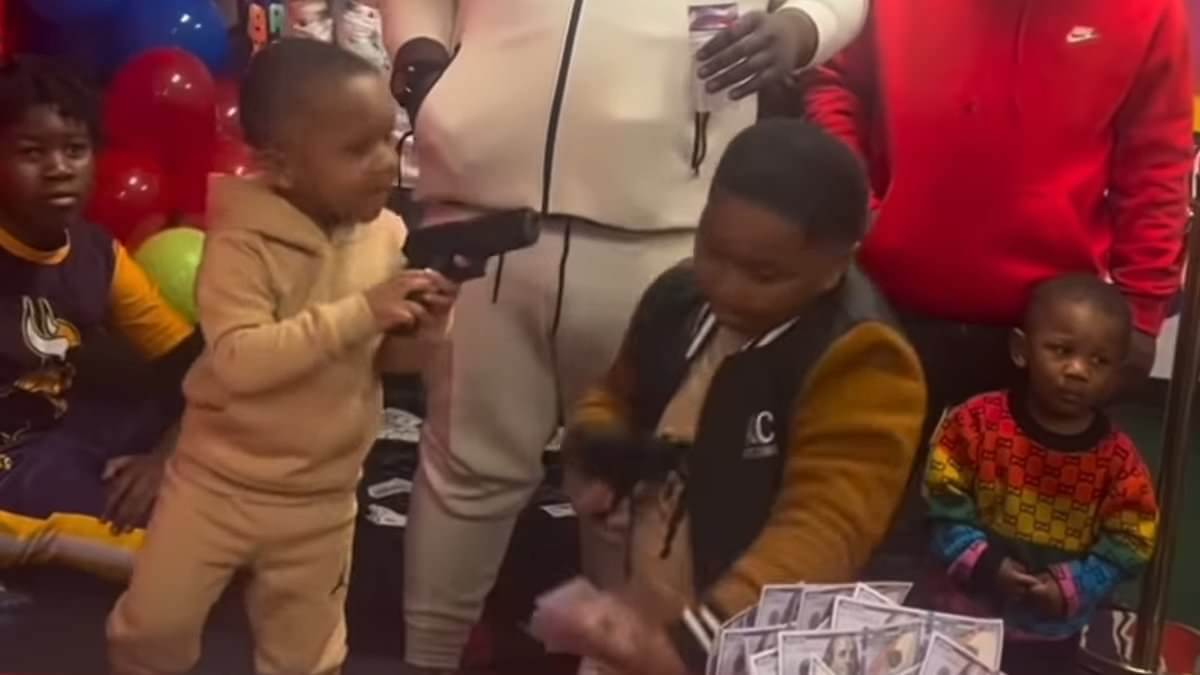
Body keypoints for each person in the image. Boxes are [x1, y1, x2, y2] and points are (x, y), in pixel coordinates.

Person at [379, 1, 869, 671]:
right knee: (466, 472)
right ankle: (427, 660)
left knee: (636, 492)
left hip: (662, 228)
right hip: (481, 206)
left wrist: (802, 26)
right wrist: (419, 55)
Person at [805, 0, 1193, 578]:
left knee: (1017, 567)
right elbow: (834, 84)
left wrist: (1142, 308)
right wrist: (858, 203)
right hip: (885, 300)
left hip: (1041, 335)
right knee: (851, 532)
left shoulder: (1149, 12)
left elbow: (1155, 165)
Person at [106, 39, 458, 675]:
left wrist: (425, 327)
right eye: (357, 149)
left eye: (388, 139)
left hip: (323, 496)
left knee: (306, 654)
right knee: (152, 629)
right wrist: (364, 312)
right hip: (215, 486)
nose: (386, 163)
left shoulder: (388, 235)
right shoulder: (241, 243)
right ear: (280, 165)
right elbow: (240, 361)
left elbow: (389, 362)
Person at [557, 120, 926, 674]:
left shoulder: (863, 361)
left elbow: (824, 528)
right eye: (712, 251)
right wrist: (599, 454)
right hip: (645, 615)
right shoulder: (679, 299)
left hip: (753, 646)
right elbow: (615, 395)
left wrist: (698, 641)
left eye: (763, 275)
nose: (724, 286)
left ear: (836, 266)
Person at [0, 57, 200, 599]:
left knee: (239, 441)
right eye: (31, 153)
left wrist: (166, 457)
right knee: (182, 554)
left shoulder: (97, 255)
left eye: (75, 150)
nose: (58, 168)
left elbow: (195, 363)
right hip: (9, 469)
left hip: (64, 433)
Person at [924, 275, 1158, 675]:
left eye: (1099, 361)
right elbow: (942, 503)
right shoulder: (975, 423)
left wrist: (1075, 585)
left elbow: (1132, 540)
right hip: (962, 619)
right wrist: (984, 564)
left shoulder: (1119, 461)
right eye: (1061, 350)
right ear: (1022, 350)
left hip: (1051, 636)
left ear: (1117, 376)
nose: (1078, 370)